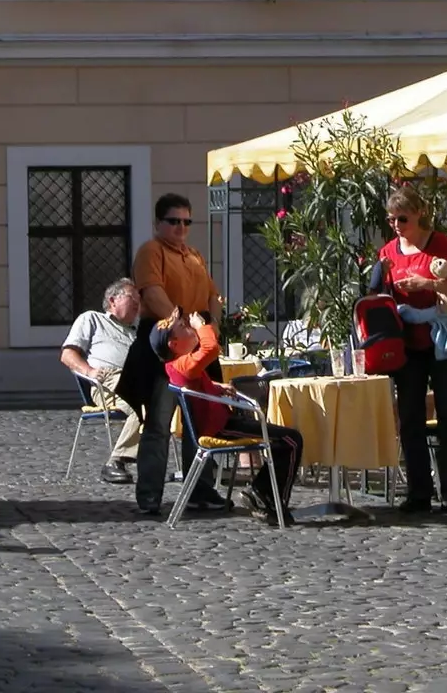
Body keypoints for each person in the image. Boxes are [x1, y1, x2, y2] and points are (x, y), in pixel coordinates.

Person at [126, 193, 228, 517]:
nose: (181, 227)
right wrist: (180, 328)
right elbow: (152, 292)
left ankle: (200, 489)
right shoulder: (150, 251)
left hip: (197, 341)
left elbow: (212, 295)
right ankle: (149, 496)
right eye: (174, 221)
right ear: (158, 223)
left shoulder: (194, 254)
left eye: (186, 221)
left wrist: (211, 327)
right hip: (165, 346)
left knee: (202, 421)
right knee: (158, 422)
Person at [154, 309, 304, 525]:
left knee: (286, 440)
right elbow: (211, 347)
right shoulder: (184, 364)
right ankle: (268, 499)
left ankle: (261, 492)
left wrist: (217, 387)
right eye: (182, 328)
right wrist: (201, 326)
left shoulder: (179, 365)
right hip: (219, 427)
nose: (188, 327)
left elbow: (195, 384)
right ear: (174, 344)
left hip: (220, 420)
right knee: (292, 440)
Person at [376, 186, 447, 514]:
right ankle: (419, 492)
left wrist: (426, 284)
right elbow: (378, 295)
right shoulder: (388, 251)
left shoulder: (439, 244)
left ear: (418, 213)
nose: (397, 225)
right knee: (411, 419)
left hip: (441, 340)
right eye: (392, 219)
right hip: (407, 343)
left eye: (403, 218)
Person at [59, 278, 143, 484]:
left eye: (139, 300)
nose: (137, 304)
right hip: (108, 379)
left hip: (138, 380)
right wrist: (89, 370)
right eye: (133, 298)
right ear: (113, 300)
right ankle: (116, 461)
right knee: (148, 402)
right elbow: (67, 355)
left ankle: (194, 465)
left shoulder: (137, 332)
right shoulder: (92, 319)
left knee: (167, 401)